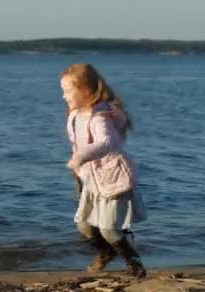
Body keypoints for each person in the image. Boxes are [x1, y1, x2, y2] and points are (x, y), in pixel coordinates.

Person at [60, 63, 148, 278]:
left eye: (68, 91)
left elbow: (106, 143)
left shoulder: (100, 118)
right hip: (91, 179)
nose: (64, 96)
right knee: (84, 225)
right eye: (63, 91)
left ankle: (134, 264)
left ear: (87, 90)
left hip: (112, 177)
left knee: (109, 230)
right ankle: (106, 253)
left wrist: (82, 156)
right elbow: (78, 143)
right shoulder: (75, 115)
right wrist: (78, 165)